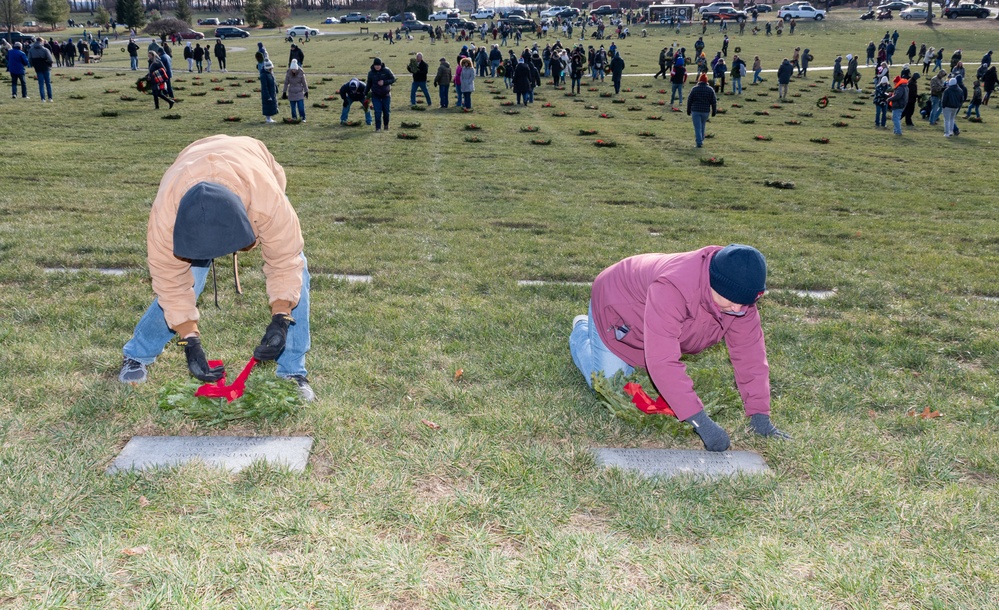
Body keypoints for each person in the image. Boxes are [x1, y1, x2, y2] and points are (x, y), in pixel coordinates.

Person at [118, 135, 314, 402]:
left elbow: (285, 261)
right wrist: (189, 339)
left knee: (297, 272)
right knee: (190, 278)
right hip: (192, 160)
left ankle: (292, 372)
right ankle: (137, 354)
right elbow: (170, 282)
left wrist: (281, 318)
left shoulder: (268, 202)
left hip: (252, 160)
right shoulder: (166, 219)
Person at [569, 245, 788, 452]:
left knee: (639, 369)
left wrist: (760, 416)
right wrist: (701, 423)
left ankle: (611, 345)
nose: (738, 308)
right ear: (714, 284)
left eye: (745, 303)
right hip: (617, 303)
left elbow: (751, 356)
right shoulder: (673, 287)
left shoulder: (739, 297)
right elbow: (663, 362)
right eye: (731, 301)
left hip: (653, 317)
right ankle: (582, 331)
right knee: (609, 385)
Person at [686, 73, 716, 148]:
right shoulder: (710, 89)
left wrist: (688, 109)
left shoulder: (694, 89)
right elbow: (713, 101)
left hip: (696, 110)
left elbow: (690, 100)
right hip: (705, 111)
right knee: (703, 125)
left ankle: (699, 142)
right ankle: (701, 138)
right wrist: (714, 111)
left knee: (697, 127)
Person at [365, 57, 396, 131]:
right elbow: (369, 83)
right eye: (376, 65)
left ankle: (386, 125)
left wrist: (384, 82)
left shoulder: (387, 71)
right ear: (374, 65)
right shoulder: (371, 73)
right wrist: (365, 93)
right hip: (375, 95)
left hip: (386, 94)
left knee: (386, 111)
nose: (377, 67)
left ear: (381, 65)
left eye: (378, 65)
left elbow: (393, 79)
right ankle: (378, 128)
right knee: (377, 111)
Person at [26, 38, 55, 102]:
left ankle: (43, 98)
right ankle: (50, 98)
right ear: (41, 42)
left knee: (41, 83)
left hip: (37, 67)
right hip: (46, 67)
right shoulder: (45, 49)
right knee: (48, 83)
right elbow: (50, 59)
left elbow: (29, 59)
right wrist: (49, 64)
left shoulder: (31, 50)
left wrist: (33, 65)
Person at [259, 57, 279, 123]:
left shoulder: (270, 73)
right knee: (267, 105)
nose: (271, 70)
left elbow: (274, 82)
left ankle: (269, 118)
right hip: (267, 93)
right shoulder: (264, 75)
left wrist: (276, 89)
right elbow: (265, 87)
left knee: (271, 105)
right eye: (270, 69)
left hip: (272, 91)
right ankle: (268, 118)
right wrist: (268, 96)